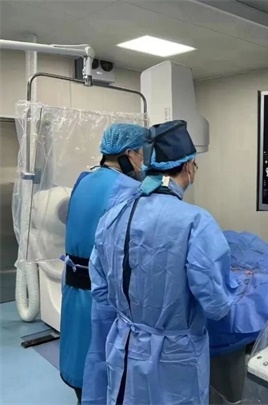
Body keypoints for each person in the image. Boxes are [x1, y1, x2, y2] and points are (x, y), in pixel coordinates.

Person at [86, 120, 238, 404]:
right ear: (189, 166)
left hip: (124, 347)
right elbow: (217, 304)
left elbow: (100, 289)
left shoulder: (114, 215)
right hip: (174, 360)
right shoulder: (195, 222)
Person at [59, 123, 147, 405]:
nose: (143, 161)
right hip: (102, 292)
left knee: (77, 353)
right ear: (130, 154)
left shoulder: (84, 180)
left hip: (73, 283)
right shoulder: (129, 188)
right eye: (142, 154)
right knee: (100, 361)